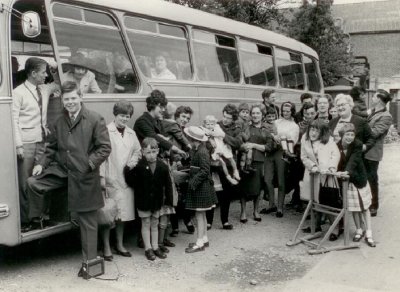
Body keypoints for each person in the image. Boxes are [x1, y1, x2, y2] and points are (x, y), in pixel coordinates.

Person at [26, 81, 111, 278]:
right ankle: (39, 220)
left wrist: (88, 165)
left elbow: (104, 148)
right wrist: (41, 163)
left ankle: (90, 263)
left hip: (83, 176)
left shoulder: (95, 119)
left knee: (88, 222)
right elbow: (52, 147)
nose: (70, 102)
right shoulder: (59, 121)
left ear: (81, 97)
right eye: (67, 99)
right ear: (62, 101)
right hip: (62, 172)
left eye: (73, 98)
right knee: (33, 183)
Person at [12, 57, 59, 232]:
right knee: (25, 183)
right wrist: (18, 146)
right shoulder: (18, 93)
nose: (45, 75)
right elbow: (14, 121)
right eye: (43, 72)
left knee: (41, 179)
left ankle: (40, 217)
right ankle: (26, 220)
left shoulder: (44, 88)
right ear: (33, 73)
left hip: (42, 142)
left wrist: (54, 69)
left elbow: (60, 85)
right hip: (26, 142)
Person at [99, 100, 141, 261]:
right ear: (115, 115)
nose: (124, 119)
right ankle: (106, 247)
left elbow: (137, 151)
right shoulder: (106, 131)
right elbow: (101, 156)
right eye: (122, 115)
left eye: (127, 116)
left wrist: (133, 162)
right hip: (110, 178)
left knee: (122, 215)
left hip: (126, 179)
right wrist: (102, 177)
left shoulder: (131, 133)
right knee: (108, 215)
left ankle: (119, 244)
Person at [126, 138, 173, 260]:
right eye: (148, 152)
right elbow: (131, 181)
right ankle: (148, 248)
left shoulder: (162, 166)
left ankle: (156, 247)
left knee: (154, 223)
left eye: (153, 152)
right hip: (143, 201)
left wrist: (169, 201)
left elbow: (168, 184)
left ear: (157, 151)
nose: (151, 155)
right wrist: (127, 169)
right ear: (142, 152)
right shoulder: (139, 166)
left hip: (156, 202)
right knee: (145, 223)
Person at [336, 123, 376, 247]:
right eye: (347, 134)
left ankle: (369, 233)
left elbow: (353, 160)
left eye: (352, 134)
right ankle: (359, 230)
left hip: (358, 179)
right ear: (342, 135)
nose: (350, 137)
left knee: (364, 207)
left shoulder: (357, 145)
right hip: (347, 181)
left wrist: (346, 171)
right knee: (354, 207)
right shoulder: (337, 146)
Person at [300, 120, 340, 238]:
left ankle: (335, 229)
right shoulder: (305, 139)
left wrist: (331, 168)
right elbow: (304, 157)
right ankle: (315, 225)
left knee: (328, 201)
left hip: (326, 175)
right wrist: (312, 166)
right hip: (312, 174)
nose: (313, 133)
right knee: (313, 201)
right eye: (312, 129)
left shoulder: (329, 141)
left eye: (317, 130)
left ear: (322, 132)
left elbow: (336, 155)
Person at [206, 104, 242, 230]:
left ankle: (225, 221)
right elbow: (206, 136)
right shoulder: (216, 124)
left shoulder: (236, 128)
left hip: (228, 164)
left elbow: (238, 143)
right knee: (212, 192)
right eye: (224, 116)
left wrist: (223, 136)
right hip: (214, 163)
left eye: (229, 118)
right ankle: (208, 221)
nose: (225, 119)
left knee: (226, 194)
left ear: (233, 119)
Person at [239, 104, 276, 223]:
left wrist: (254, 145)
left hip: (259, 161)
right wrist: (244, 147)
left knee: (258, 187)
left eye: (258, 113)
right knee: (244, 187)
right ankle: (243, 212)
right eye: (253, 113)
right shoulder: (246, 127)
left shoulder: (266, 129)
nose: (255, 115)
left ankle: (256, 211)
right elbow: (240, 141)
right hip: (245, 161)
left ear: (262, 115)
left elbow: (269, 147)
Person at [184, 126, 218, 253]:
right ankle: (204, 239)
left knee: (199, 214)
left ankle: (199, 243)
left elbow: (204, 170)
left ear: (193, 140)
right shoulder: (199, 149)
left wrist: (193, 182)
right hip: (202, 186)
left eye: (189, 139)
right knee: (201, 214)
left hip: (201, 187)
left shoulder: (202, 152)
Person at [264, 102, 299, 218]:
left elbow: (292, 141)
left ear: (292, 111)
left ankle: (279, 207)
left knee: (281, 180)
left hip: (282, 153)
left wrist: (282, 139)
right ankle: (271, 204)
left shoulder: (294, 126)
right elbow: (267, 131)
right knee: (267, 179)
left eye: (288, 111)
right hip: (270, 151)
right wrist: (273, 137)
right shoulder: (276, 121)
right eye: (283, 110)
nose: (285, 113)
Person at [364, 89, 393, 217]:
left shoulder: (386, 116)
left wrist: (361, 127)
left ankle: (374, 205)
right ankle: (364, 203)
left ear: (380, 99)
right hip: (363, 149)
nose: (372, 99)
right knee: (362, 177)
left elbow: (375, 133)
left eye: (374, 97)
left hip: (373, 151)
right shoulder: (373, 111)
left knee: (372, 178)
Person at [134, 90, 186, 156]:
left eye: (164, 107)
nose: (163, 110)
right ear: (153, 105)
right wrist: (177, 150)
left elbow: (164, 139)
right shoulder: (142, 121)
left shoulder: (157, 121)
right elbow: (157, 138)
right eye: (161, 107)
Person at [203, 115, 241, 185]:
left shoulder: (217, 127)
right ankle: (228, 177)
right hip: (216, 149)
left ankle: (235, 171)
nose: (210, 126)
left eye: (212, 124)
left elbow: (221, 134)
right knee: (222, 163)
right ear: (205, 124)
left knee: (231, 158)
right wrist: (211, 140)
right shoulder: (205, 131)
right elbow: (207, 137)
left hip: (223, 146)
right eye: (207, 124)